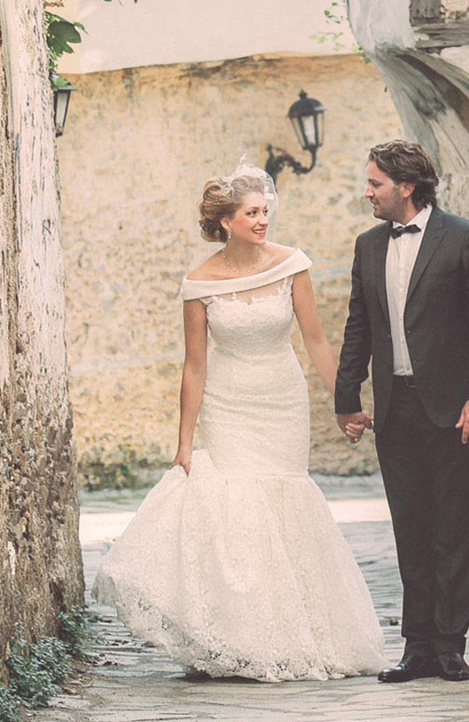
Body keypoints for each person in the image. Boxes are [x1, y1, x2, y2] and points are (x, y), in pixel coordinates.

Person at [93, 162, 387, 682]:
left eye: (265, 212)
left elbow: (316, 339)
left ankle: (297, 634)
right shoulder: (199, 283)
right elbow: (195, 365)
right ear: (226, 221)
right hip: (228, 404)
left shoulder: (291, 264)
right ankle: (235, 636)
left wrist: (345, 401)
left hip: (281, 400)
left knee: (282, 505)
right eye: (252, 213)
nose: (263, 221)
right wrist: (183, 444)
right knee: (236, 511)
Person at [335, 140, 469, 683]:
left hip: (454, 408)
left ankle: (452, 645)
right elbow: (358, 325)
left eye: (375, 184)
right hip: (395, 409)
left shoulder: (465, 238)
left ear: (406, 186)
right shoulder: (367, 246)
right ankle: (418, 647)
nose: (367, 193)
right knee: (410, 528)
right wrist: (347, 399)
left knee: (450, 526)